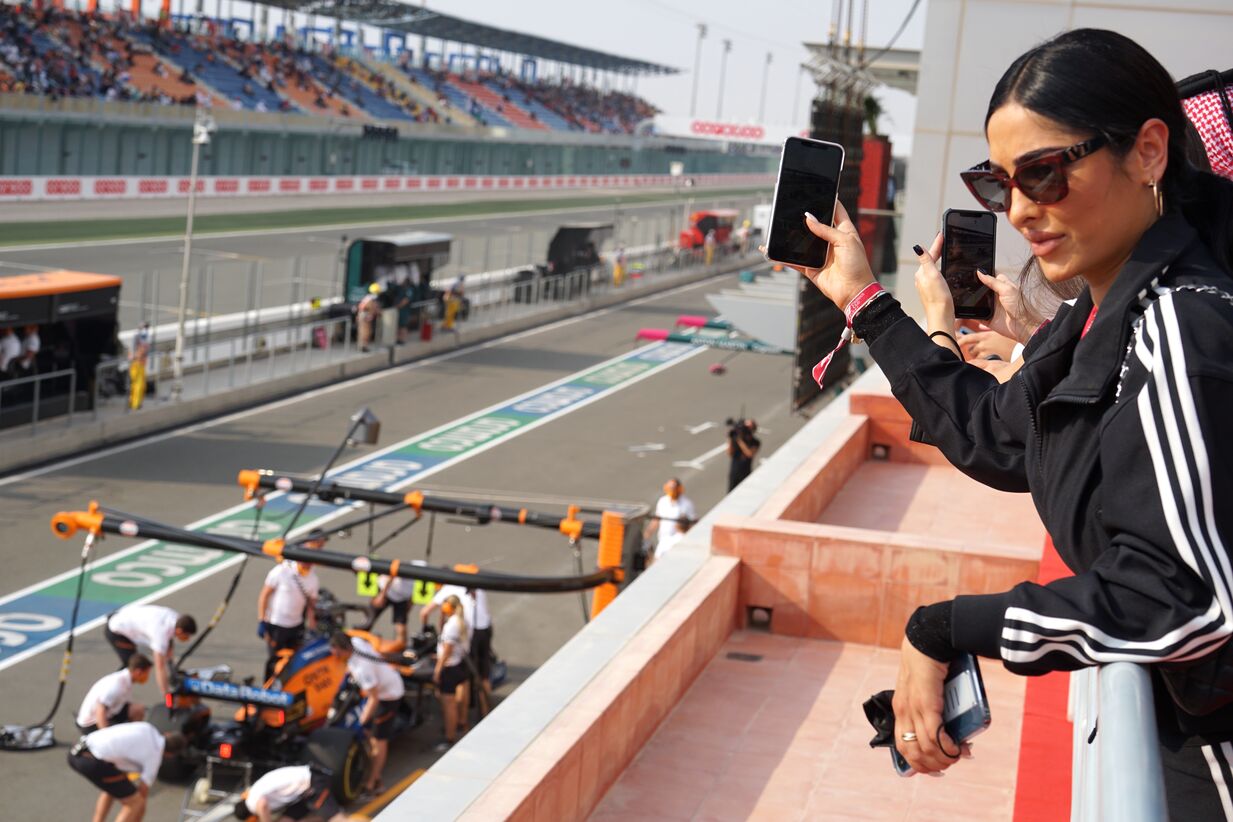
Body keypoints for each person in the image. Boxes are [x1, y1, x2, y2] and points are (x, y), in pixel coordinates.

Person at [792, 29, 1233, 819]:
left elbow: (1182, 599)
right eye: (999, 186)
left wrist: (948, 627)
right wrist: (861, 299)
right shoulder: (1100, 311)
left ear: (1149, 152)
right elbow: (995, 432)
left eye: (1045, 173)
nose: (1021, 211)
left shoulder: (1177, 322)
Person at [328, 632, 404, 798]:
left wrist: (361, 722)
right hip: (381, 689)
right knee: (370, 735)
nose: (336, 656)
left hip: (388, 697)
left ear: (345, 650)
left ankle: (373, 783)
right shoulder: (355, 642)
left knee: (378, 740)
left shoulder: (363, 668)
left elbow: (374, 698)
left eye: (338, 653)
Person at [67, 721, 186, 822]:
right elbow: (142, 794)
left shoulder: (147, 727)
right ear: (171, 755)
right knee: (135, 802)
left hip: (77, 750)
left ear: (167, 734)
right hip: (94, 762)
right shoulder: (154, 758)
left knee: (112, 787)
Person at [257, 534, 321, 679]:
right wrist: (262, 620)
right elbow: (264, 595)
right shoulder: (281, 571)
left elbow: (311, 606)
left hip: (296, 626)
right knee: (274, 662)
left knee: (294, 662)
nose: (307, 564)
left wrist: (312, 628)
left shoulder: (313, 579)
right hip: (276, 625)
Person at [420, 584, 493, 713]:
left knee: (459, 682)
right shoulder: (476, 584)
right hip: (484, 630)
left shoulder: (448, 590)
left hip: (463, 646)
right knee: (482, 676)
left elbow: (424, 613)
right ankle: (485, 712)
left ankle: (460, 718)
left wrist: (426, 630)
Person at [104, 605, 196, 697]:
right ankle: (109, 692)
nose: (188, 639)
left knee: (134, 663)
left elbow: (170, 642)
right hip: (116, 631)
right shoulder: (161, 634)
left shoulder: (177, 618)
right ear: (179, 631)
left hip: (124, 618)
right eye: (187, 636)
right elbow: (160, 667)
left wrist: (171, 667)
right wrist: (166, 695)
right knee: (131, 666)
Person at [231, 764, 358, 822]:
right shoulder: (253, 792)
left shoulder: (253, 803)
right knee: (286, 820)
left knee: (336, 819)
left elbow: (262, 805)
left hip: (313, 783)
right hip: (303, 792)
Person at [431, 595, 470, 751]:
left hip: (450, 667)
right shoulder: (460, 620)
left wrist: (438, 669)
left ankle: (449, 737)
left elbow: (448, 649)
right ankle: (461, 723)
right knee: (457, 699)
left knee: (449, 704)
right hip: (460, 663)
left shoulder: (452, 624)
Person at [76, 654, 152, 733]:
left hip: (110, 713)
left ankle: (133, 734)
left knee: (138, 710)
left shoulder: (126, 680)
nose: (147, 676)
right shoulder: (117, 685)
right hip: (91, 723)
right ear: (138, 672)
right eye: (147, 673)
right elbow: (100, 711)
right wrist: (108, 737)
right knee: (121, 736)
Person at [644, 478, 696, 559]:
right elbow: (657, 519)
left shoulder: (687, 504)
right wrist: (648, 533)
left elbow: (693, 523)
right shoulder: (662, 501)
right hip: (663, 539)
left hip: (679, 542)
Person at [368, 572, 415, 651]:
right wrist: (382, 595)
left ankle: (401, 650)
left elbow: (416, 592)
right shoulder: (410, 569)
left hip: (401, 599)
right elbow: (392, 575)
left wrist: (410, 602)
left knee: (401, 628)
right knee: (369, 618)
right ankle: (357, 642)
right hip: (386, 592)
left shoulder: (419, 580)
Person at [726, 419, 761, 491]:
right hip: (734, 474)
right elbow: (729, 453)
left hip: (745, 474)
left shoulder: (755, 442)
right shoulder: (737, 439)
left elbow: (749, 454)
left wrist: (739, 440)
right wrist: (730, 439)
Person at [128, 322, 150, 411]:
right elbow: (136, 351)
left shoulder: (141, 337)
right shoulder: (138, 337)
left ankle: (134, 403)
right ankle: (135, 404)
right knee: (138, 385)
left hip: (139, 363)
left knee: (137, 385)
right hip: (137, 364)